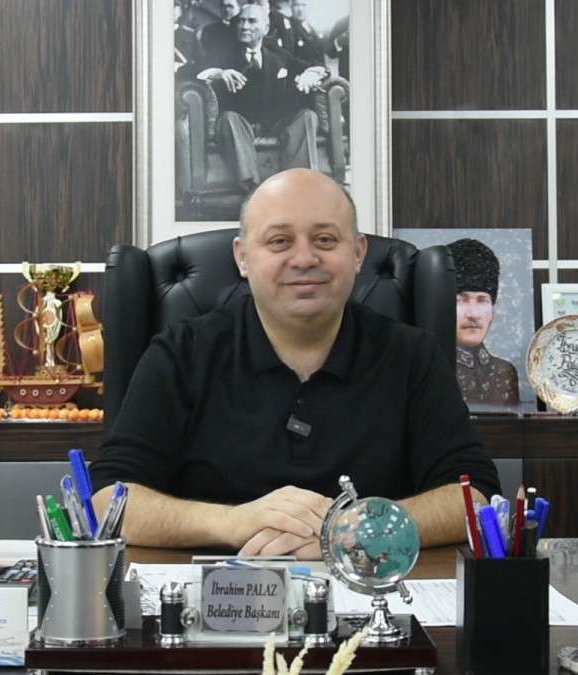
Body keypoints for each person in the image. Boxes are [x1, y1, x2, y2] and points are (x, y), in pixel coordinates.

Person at [91, 169, 500, 559]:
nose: (304, 258)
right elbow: (108, 499)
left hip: (369, 587)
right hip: (216, 593)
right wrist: (232, 522)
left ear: (358, 253)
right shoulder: (180, 353)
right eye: (279, 242)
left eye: (325, 240)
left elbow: (474, 496)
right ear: (243, 257)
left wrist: (354, 531)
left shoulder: (412, 355)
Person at [196, 4, 327, 192]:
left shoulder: (278, 54)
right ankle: (252, 188)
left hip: (273, 122)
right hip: (240, 126)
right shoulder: (223, 51)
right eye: (241, 21)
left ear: (265, 28)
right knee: (228, 119)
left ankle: (295, 184)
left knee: (307, 116)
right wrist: (219, 73)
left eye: (251, 21)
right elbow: (190, 70)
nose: (244, 26)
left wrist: (310, 74)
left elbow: (317, 67)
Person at [448, 238, 520, 405]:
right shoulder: (430, 369)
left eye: (482, 300)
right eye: (461, 300)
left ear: (492, 310)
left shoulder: (504, 371)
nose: (473, 314)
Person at [198, 0, 241, 69]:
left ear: (239, 7)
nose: (226, 10)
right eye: (223, 6)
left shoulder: (244, 30)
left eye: (230, 6)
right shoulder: (209, 31)